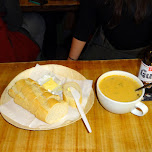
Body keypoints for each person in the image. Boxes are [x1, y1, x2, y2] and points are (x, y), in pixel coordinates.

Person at [68, 0, 152, 60]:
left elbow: (84, 26)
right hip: (105, 47)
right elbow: (84, 26)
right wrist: (71, 62)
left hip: (145, 55)